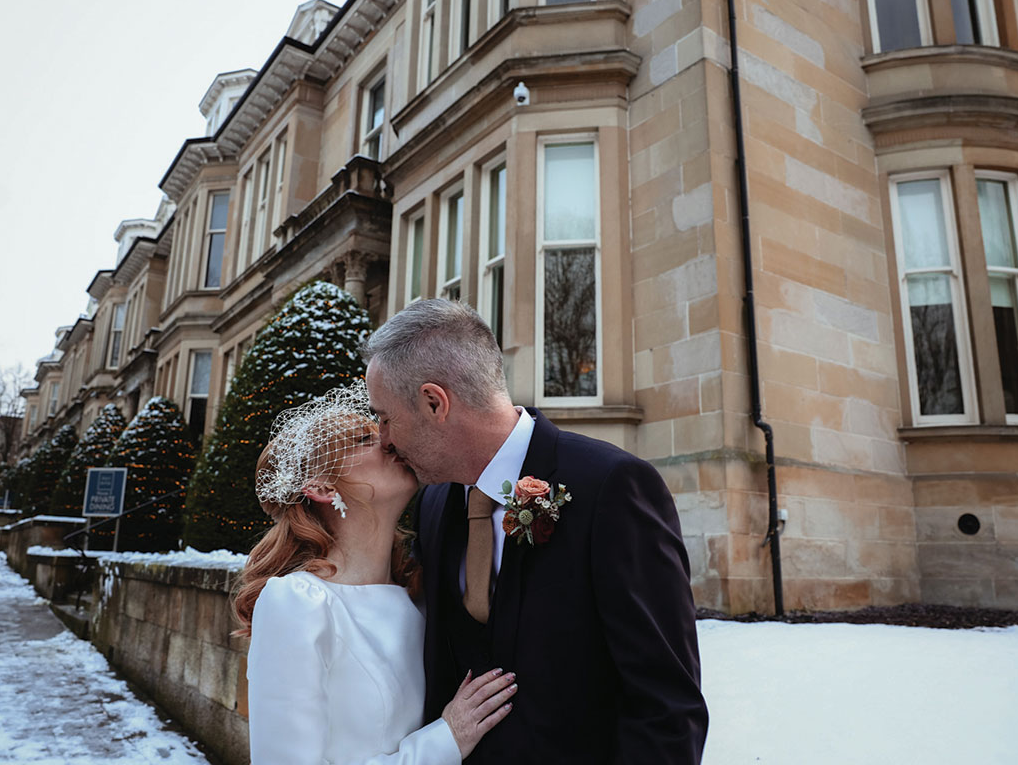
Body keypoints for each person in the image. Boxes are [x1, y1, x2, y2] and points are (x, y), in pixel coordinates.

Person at [362, 299, 708, 763]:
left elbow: (667, 703)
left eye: (385, 418)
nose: (384, 440)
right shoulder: (433, 504)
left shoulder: (610, 486)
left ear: (433, 403)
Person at [232, 383, 517, 764]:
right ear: (320, 486)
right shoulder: (296, 603)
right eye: (363, 439)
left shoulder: (422, 593)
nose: (387, 440)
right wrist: (448, 738)